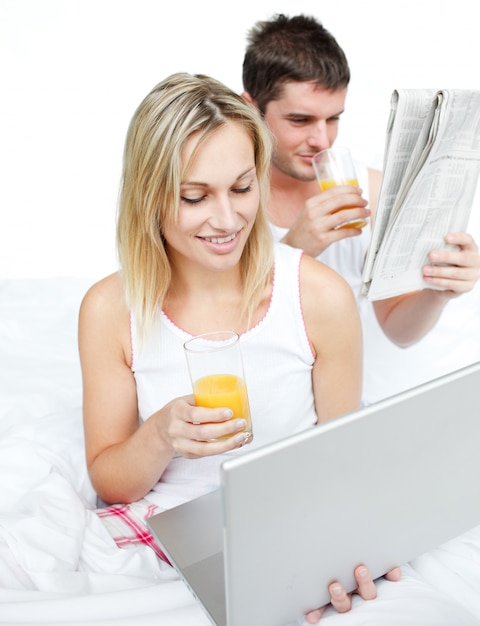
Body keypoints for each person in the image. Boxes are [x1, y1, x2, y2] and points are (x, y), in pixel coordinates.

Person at [78, 72, 399, 623]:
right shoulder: (111, 310)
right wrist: (159, 433)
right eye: (194, 196)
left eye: (243, 188)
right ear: (148, 196)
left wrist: (340, 547)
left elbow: (344, 460)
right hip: (172, 529)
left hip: (292, 514)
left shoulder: (318, 297)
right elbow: (110, 480)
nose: (227, 221)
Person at [241, 13, 480, 403]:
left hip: (350, 409)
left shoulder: (369, 189)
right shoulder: (223, 198)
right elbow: (219, 330)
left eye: (333, 118)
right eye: (300, 120)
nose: (322, 139)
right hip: (266, 412)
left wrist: (438, 291)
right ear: (251, 107)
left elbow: (397, 329)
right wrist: (292, 252)